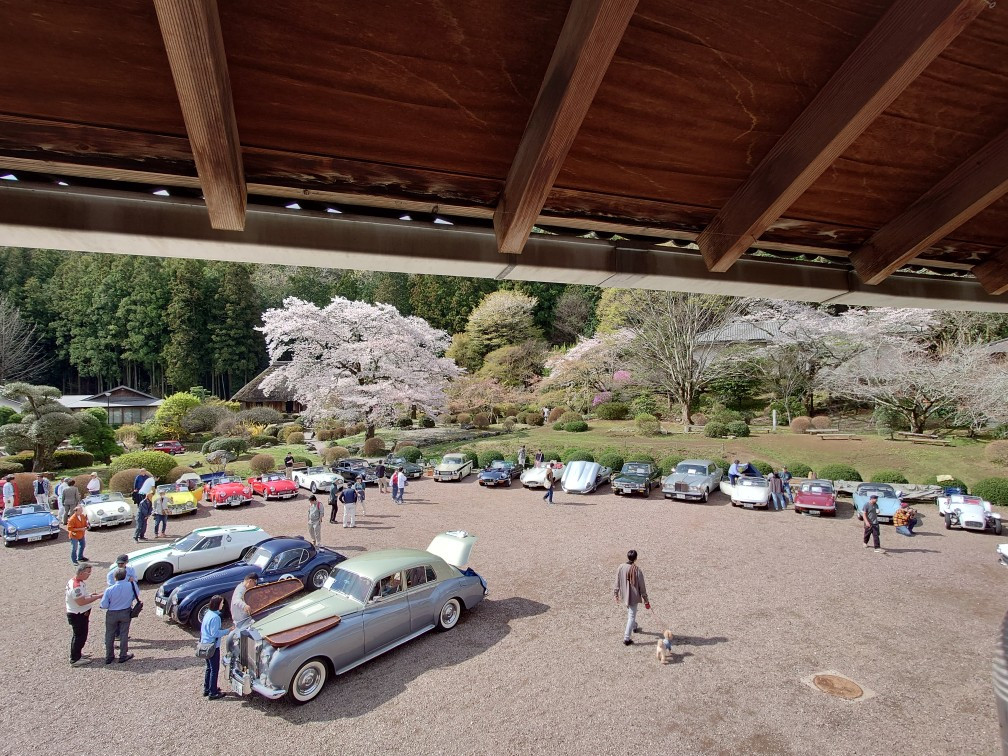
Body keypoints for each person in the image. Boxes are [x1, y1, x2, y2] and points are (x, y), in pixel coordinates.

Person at [66, 562, 102, 666]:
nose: (89, 575)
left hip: (80, 613)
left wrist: (90, 595)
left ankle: (77, 654)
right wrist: (97, 597)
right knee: (80, 636)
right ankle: (75, 659)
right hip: (78, 615)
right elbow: (81, 601)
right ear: (81, 573)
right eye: (88, 573)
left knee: (80, 635)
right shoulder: (76, 586)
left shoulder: (78, 582)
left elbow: (82, 597)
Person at [100, 567, 137, 664]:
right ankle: (123, 655)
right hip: (126, 611)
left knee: (109, 634)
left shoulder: (109, 589)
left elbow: (104, 605)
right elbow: (136, 594)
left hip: (112, 613)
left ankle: (109, 656)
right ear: (125, 576)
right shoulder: (131, 585)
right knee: (124, 634)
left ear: (114, 577)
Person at [613, 549, 650, 646]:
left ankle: (634, 626)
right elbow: (642, 586)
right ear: (636, 558)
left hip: (625, 595)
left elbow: (617, 581)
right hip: (633, 596)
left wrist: (616, 593)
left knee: (631, 613)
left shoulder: (621, 567)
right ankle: (626, 638)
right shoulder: (637, 570)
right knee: (631, 616)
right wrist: (646, 599)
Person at [200, 595, 231, 699]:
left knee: (209, 668)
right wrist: (228, 630)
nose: (223, 605)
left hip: (204, 644)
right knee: (214, 669)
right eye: (222, 603)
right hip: (212, 646)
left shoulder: (208, 613)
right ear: (218, 604)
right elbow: (215, 633)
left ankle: (207, 688)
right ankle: (213, 692)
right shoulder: (216, 617)